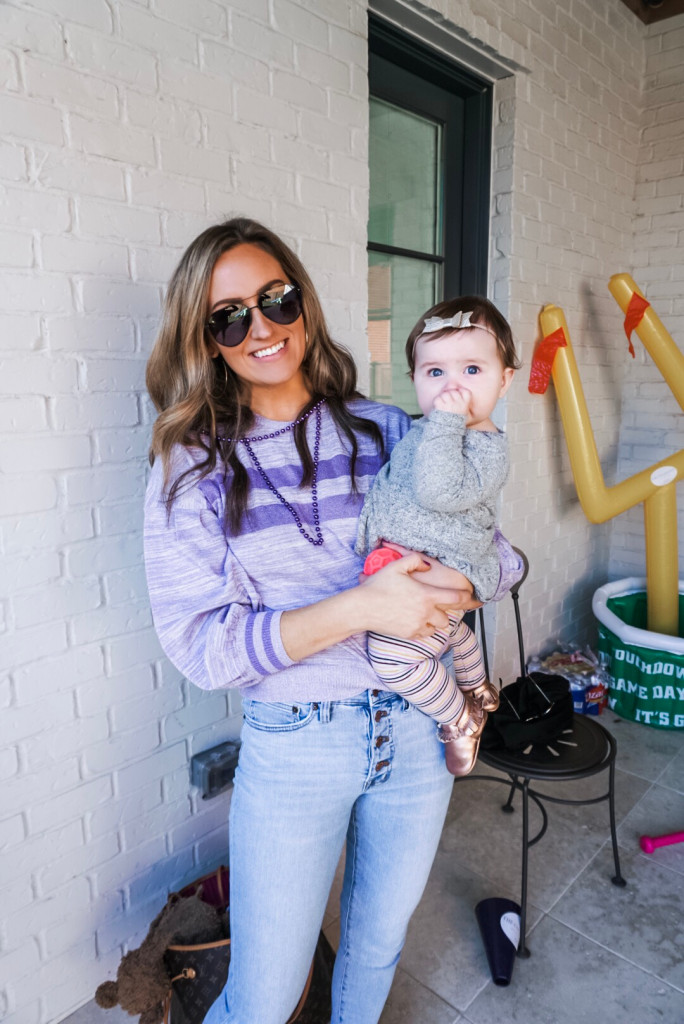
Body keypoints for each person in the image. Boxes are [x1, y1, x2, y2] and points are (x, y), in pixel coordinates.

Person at [143, 217, 521, 1024]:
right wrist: (362, 608)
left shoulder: (388, 430)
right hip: (296, 747)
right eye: (230, 316)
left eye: (275, 299)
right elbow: (202, 646)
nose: (262, 327)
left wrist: (470, 580)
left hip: (418, 730)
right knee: (265, 994)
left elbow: (497, 551)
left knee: (376, 947)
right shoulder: (194, 464)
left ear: (303, 304)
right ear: (206, 339)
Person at [356, 298, 520, 776]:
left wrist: (445, 422)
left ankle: (460, 718)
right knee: (451, 631)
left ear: (504, 379)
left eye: (472, 369)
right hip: (419, 562)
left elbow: (439, 491)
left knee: (392, 658)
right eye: (434, 373)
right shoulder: (423, 429)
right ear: (413, 381)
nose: (451, 387)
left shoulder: (487, 447)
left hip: (448, 564)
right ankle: (477, 686)